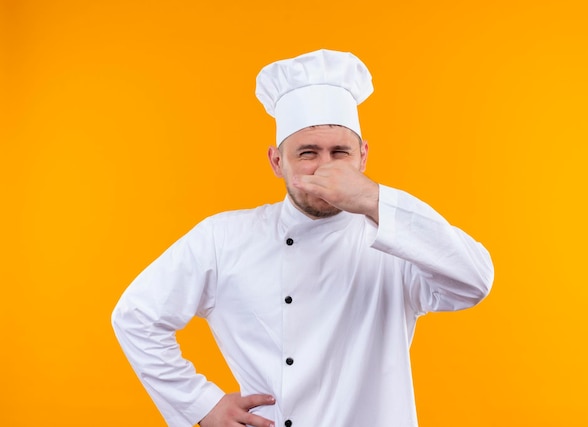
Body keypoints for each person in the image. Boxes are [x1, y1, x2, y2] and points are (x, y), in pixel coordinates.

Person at [112, 49, 494, 427]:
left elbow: (474, 281)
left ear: (362, 157)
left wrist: (372, 198)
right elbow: (137, 317)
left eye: (340, 153)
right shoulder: (223, 237)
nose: (324, 168)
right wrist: (200, 405)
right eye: (307, 153)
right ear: (277, 162)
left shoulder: (396, 242)